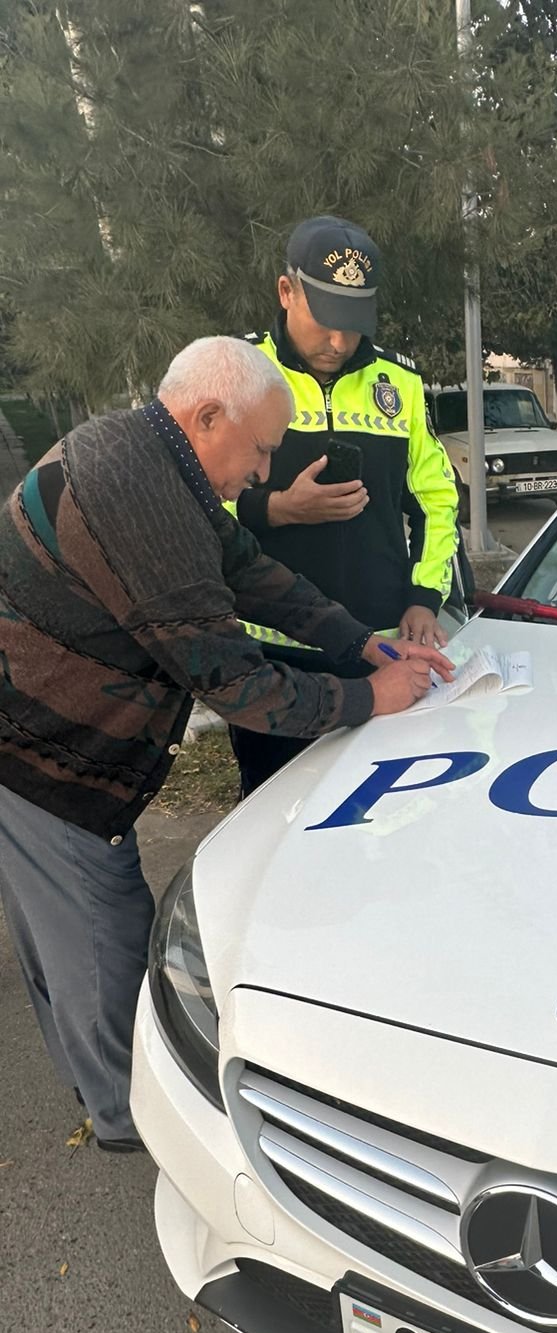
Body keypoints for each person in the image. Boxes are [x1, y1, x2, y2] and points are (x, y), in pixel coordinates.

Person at [0, 336, 452, 1152]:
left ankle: (97, 1081)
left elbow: (250, 569)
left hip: (40, 725)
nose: (264, 474)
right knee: (101, 934)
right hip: (44, 748)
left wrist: (360, 643)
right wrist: (370, 697)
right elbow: (236, 682)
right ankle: (132, 1119)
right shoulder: (137, 494)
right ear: (208, 417)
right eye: (262, 451)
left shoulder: (154, 457)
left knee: (55, 923)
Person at [229, 215, 461, 795]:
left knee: (383, 812)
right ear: (287, 292)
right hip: (275, 653)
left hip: (379, 646)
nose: (339, 342)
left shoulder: (399, 384)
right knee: (272, 812)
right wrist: (275, 509)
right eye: (327, 321)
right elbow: (197, 502)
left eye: (354, 325)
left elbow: (436, 499)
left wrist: (425, 596)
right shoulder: (240, 375)